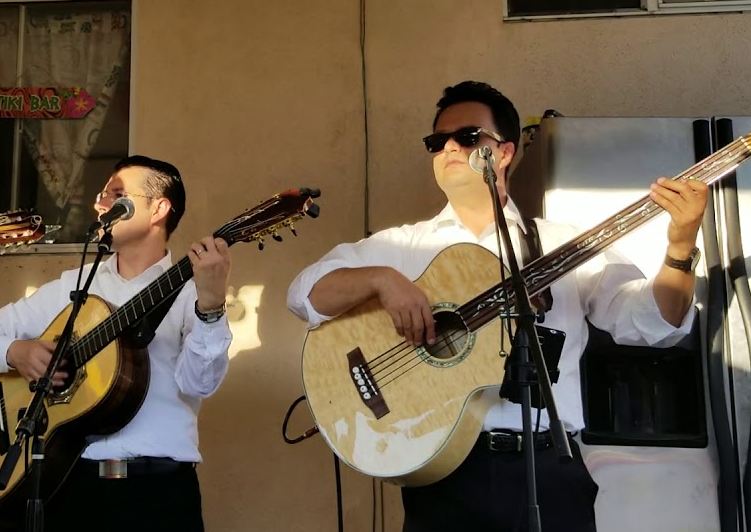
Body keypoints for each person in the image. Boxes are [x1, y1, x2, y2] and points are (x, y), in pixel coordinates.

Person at [287, 81, 707, 532]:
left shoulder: (561, 243)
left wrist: (681, 246)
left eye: (467, 137)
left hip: (548, 467)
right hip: (445, 473)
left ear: (504, 153)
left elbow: (653, 324)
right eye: (437, 142)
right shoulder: (402, 246)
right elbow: (304, 294)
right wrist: (381, 279)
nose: (449, 148)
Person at [0, 155, 233, 531]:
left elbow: (199, 384)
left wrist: (211, 308)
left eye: (116, 194)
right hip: (70, 484)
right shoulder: (74, 286)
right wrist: (16, 352)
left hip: (159, 495)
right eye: (102, 193)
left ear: (158, 209)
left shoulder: (190, 292)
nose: (99, 202)